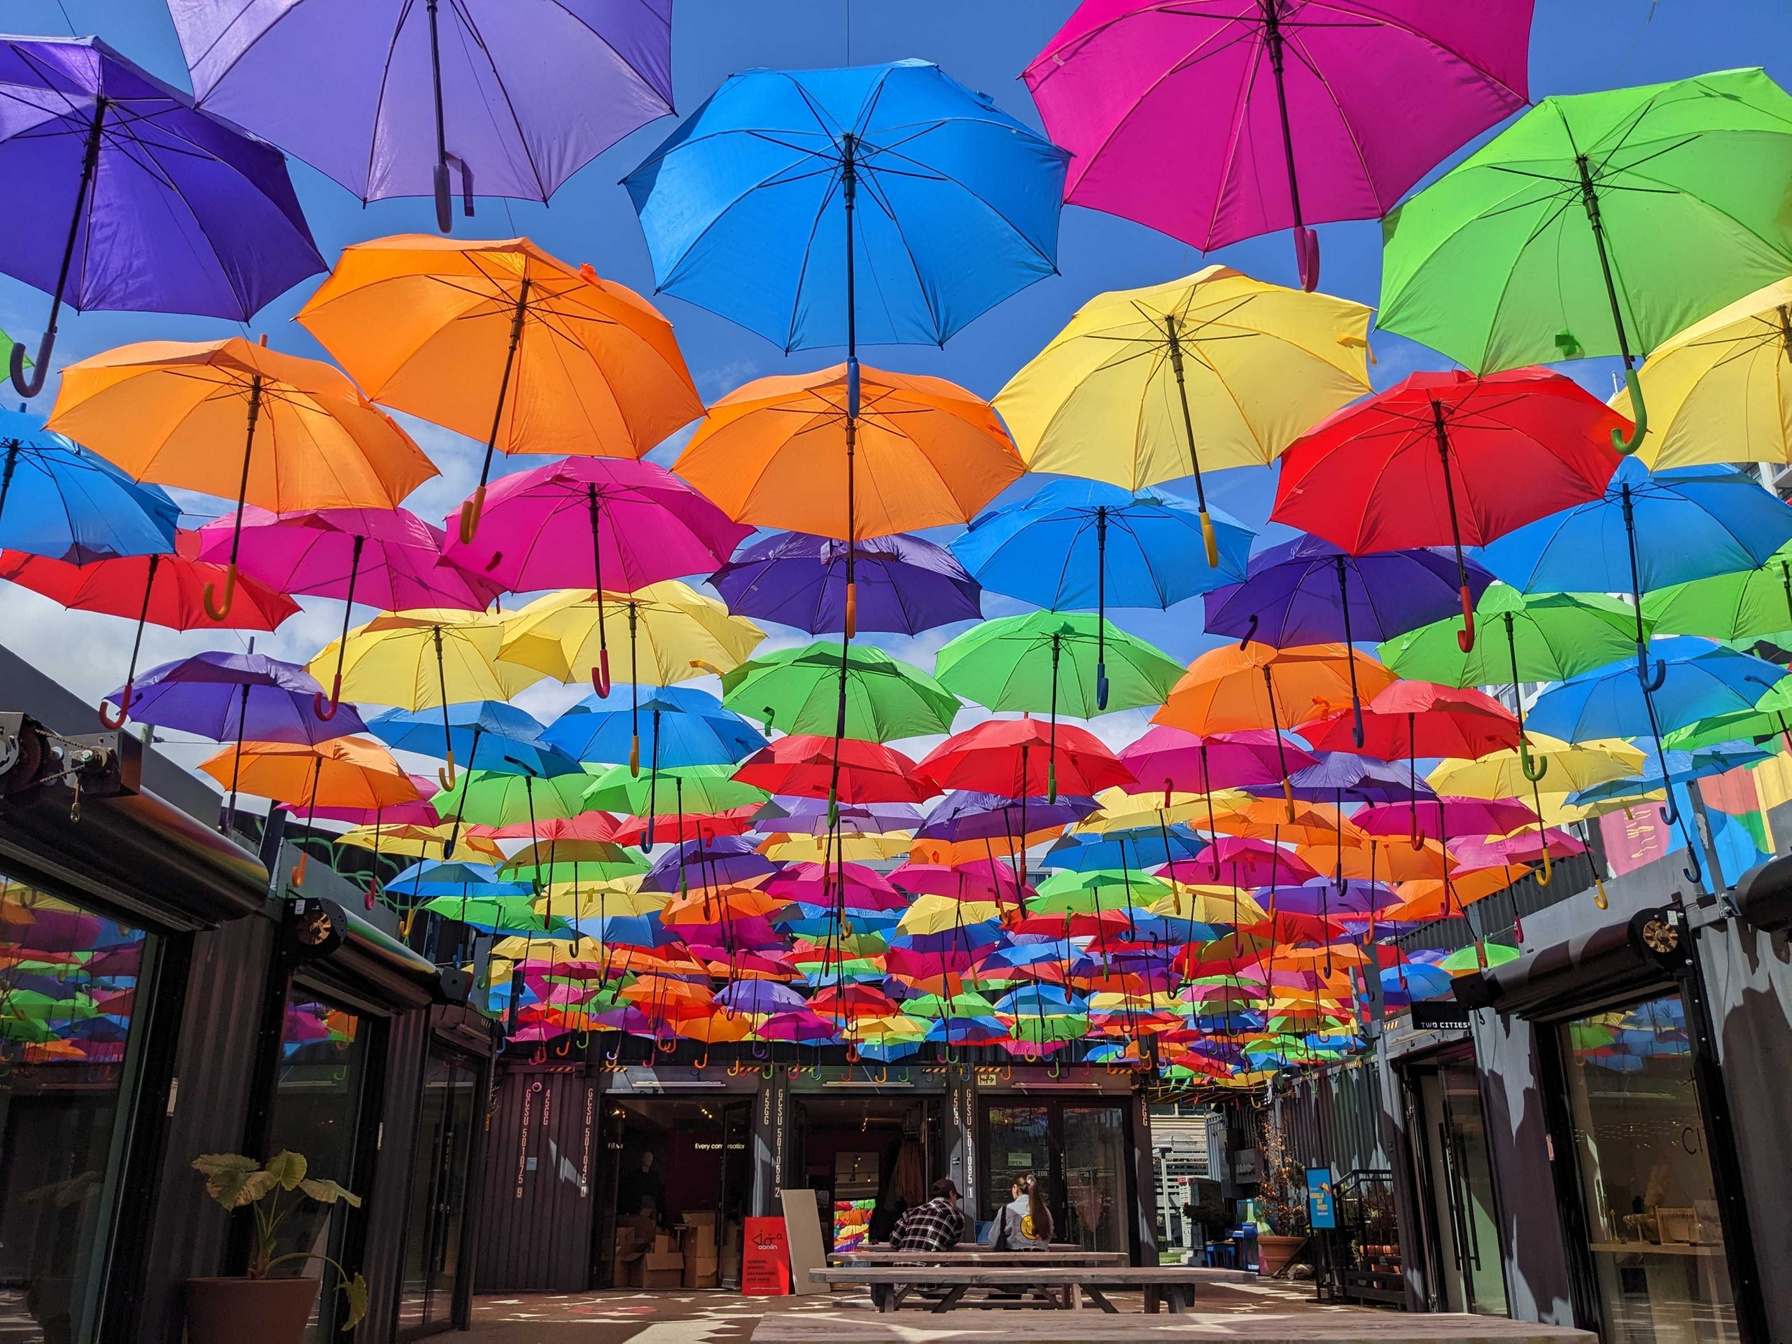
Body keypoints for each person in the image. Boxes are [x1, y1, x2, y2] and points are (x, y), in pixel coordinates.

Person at [890, 1177, 965, 1251]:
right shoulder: (956, 1215)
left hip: (903, 1258)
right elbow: (951, 1242)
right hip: (931, 1259)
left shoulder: (911, 1212)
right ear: (951, 1193)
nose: (956, 1202)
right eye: (956, 1197)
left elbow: (894, 1241)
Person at [992, 1172, 1054, 1249]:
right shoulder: (1045, 1210)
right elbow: (1049, 1234)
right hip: (1042, 1255)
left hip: (1014, 1255)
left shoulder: (1006, 1210)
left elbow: (994, 1240)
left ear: (1015, 1187)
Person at [616, 1149, 666, 1221]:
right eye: (647, 1157)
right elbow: (629, 1193)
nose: (649, 1159)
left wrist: (659, 1210)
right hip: (637, 1208)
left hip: (652, 1209)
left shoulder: (654, 1177)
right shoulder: (634, 1176)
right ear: (642, 1158)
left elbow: (659, 1194)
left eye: (650, 1158)